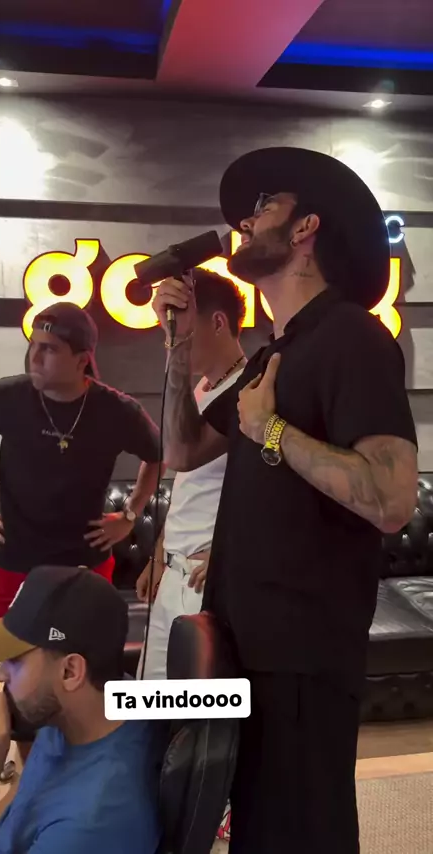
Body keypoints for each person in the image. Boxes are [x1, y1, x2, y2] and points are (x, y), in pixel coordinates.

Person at [152, 147, 418, 854]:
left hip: (302, 656)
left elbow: (391, 498)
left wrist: (272, 431)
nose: (244, 220)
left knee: (302, 834)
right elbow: (180, 451)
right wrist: (178, 343)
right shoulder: (273, 355)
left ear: (306, 227)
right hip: (245, 643)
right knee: (257, 831)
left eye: (264, 204)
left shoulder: (354, 337)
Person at [0, 302, 162, 621]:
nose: (34, 357)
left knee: (84, 648)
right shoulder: (4, 395)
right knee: (6, 649)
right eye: (34, 345)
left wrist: (130, 514)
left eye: (49, 349)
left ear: (81, 360)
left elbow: (158, 456)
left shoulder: (117, 411)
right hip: (14, 558)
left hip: (83, 561)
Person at [0, 564, 163, 854]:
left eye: (14, 660)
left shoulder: (92, 822)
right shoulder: (79, 709)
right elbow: (22, 795)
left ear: (70, 671)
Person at [136, 268, 246, 681]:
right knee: (151, 699)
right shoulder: (200, 390)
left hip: (205, 580)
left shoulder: (248, 392)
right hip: (173, 574)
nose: (173, 340)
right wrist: (158, 554)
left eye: (183, 327)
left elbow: (271, 494)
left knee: (195, 709)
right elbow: (184, 485)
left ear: (217, 322)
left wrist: (231, 553)